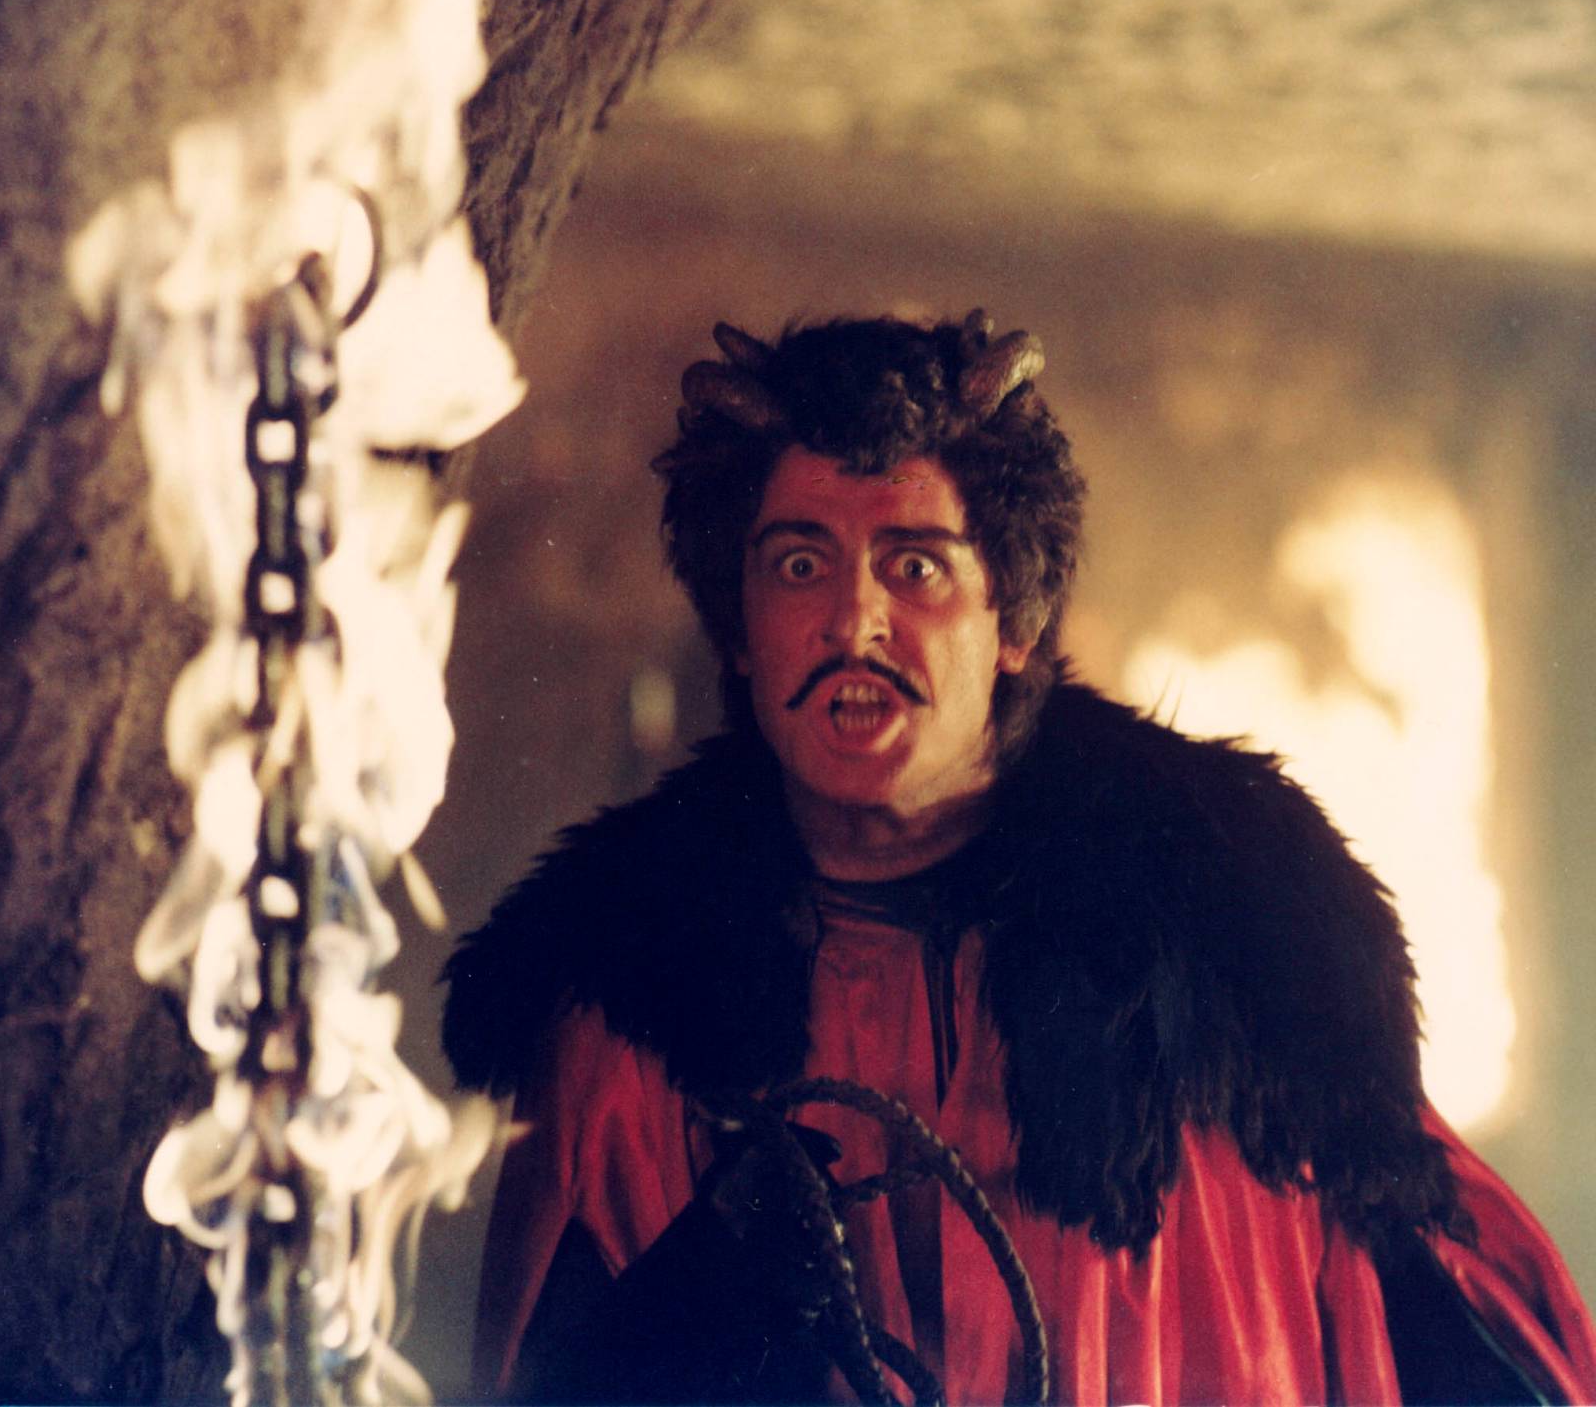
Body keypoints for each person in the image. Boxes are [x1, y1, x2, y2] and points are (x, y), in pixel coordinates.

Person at [443, 312, 1596, 1404]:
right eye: (798, 566)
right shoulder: (632, 1016)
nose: (853, 622)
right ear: (738, 635)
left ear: (1016, 625)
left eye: (916, 568)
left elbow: (1456, 1313)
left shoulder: (1237, 958)